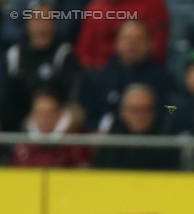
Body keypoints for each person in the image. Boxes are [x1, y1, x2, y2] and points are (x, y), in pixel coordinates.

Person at [0, 1, 83, 132]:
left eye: (48, 20)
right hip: (17, 125)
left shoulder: (64, 54)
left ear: (54, 25)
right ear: (28, 24)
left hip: (55, 124)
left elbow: (73, 96)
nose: (43, 27)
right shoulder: (13, 56)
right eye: (38, 20)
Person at [83, 20, 172, 132]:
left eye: (138, 39)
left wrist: (154, 110)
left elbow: (173, 109)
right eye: (127, 39)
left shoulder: (164, 78)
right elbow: (89, 113)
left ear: (150, 44)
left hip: (152, 141)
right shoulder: (102, 78)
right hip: (108, 142)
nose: (132, 45)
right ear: (117, 43)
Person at [93, 84, 180, 170]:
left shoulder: (167, 143)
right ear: (123, 112)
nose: (140, 116)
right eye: (134, 110)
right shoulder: (111, 142)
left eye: (146, 109)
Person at [74, 0, 169, 69]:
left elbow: (156, 50)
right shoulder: (95, 8)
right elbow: (83, 53)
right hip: (97, 74)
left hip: (141, 73)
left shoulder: (153, 6)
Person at [11, 88, 92, 167]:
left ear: (59, 114)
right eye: (40, 113)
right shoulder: (23, 146)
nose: (44, 119)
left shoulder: (76, 142)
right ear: (33, 114)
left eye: (49, 114)